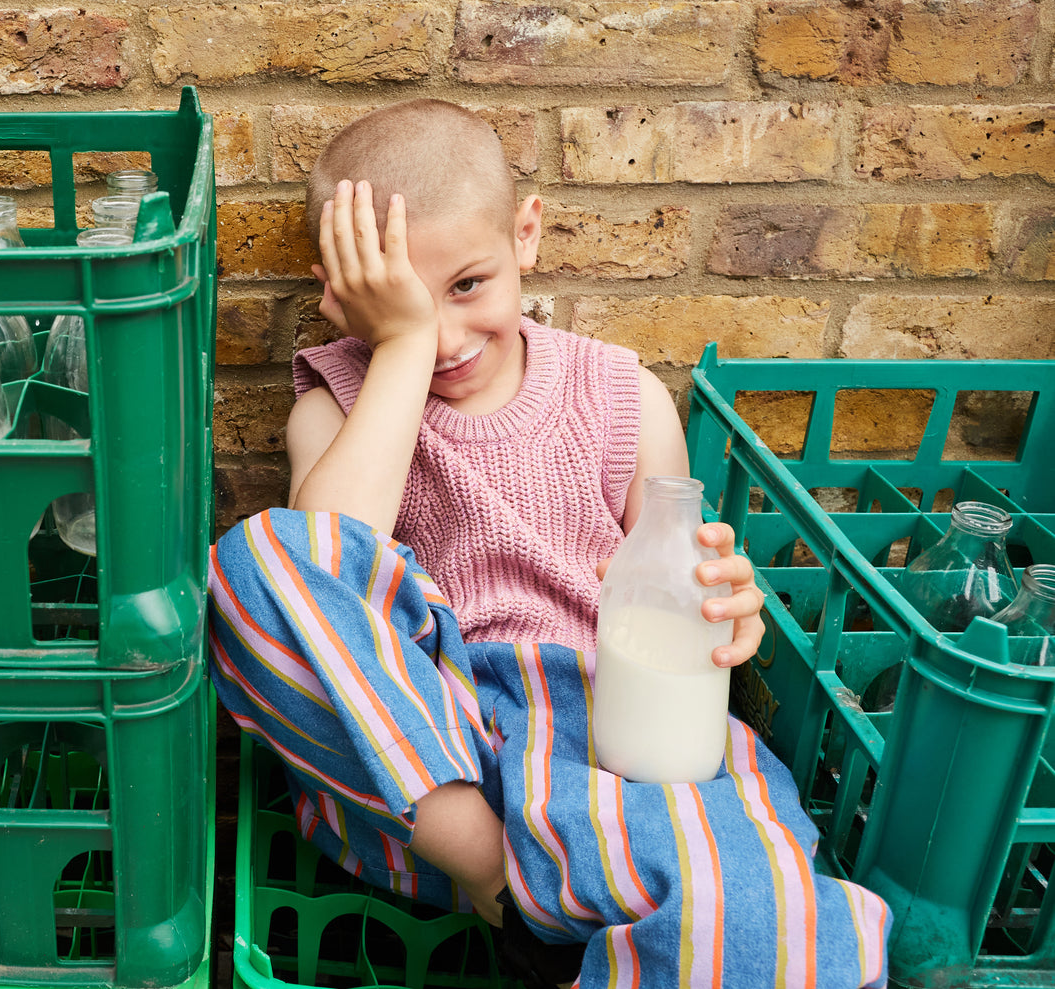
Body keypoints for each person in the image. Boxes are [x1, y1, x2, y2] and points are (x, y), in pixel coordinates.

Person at [209, 99, 890, 988]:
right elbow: (323, 557)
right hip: (428, 771)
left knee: (764, 913)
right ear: (343, 293)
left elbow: (677, 594)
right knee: (258, 560)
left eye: (468, 286)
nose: (449, 336)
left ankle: (569, 911)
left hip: (606, 744)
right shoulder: (336, 403)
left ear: (525, 234)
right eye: (406, 304)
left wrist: (723, 600)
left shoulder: (618, 395)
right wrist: (399, 348)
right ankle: (511, 887)